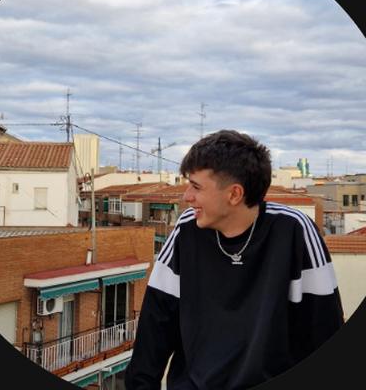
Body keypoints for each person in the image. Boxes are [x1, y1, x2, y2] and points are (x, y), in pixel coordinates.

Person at [125, 130, 344, 390]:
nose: (186, 196)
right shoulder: (186, 231)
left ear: (234, 194)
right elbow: (154, 330)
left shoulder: (294, 231)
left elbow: (325, 333)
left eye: (196, 187)